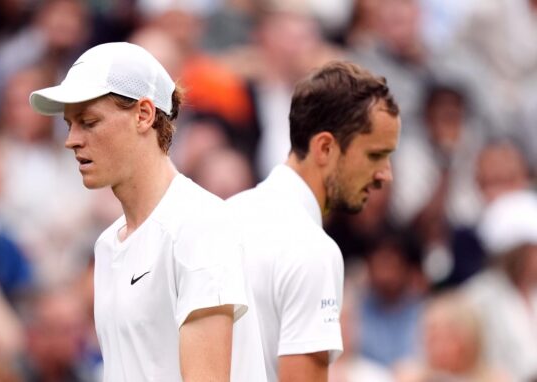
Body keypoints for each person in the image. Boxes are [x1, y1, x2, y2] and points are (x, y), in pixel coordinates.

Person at [28, 42, 266, 382]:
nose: (72, 140)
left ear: (144, 114)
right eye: (69, 125)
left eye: (89, 122)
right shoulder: (107, 245)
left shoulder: (200, 224)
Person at [228, 60, 401, 381]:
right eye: (375, 155)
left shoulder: (224, 216)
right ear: (324, 147)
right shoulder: (312, 250)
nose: (385, 175)